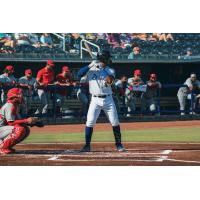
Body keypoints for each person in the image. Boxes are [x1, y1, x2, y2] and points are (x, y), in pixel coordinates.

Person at [77, 50, 126, 152]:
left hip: (108, 99)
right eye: (108, 58)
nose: (109, 60)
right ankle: (87, 146)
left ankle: (119, 144)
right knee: (90, 122)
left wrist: (101, 69)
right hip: (94, 100)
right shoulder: (91, 69)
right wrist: (90, 65)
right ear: (104, 59)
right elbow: (79, 74)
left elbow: (109, 81)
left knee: (115, 122)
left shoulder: (110, 70)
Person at [0, 88, 38, 155]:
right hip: (1, 128)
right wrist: (26, 120)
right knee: (19, 129)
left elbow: (18, 121)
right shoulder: (9, 106)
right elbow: (11, 123)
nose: (21, 96)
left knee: (26, 129)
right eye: (19, 95)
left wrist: (30, 123)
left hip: (2, 130)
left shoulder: (15, 105)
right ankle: (2, 147)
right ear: (14, 97)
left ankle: (7, 146)